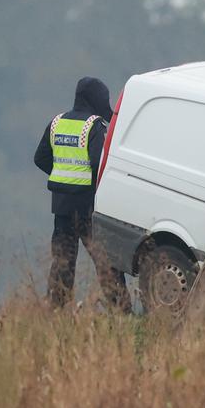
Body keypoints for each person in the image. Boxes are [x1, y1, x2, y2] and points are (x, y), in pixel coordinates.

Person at [33, 77, 130, 311]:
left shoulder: (56, 123)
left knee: (62, 261)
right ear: (95, 99)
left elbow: (40, 158)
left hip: (62, 208)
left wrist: (63, 177)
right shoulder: (93, 125)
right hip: (87, 209)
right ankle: (121, 310)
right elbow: (98, 163)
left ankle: (56, 310)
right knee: (105, 260)